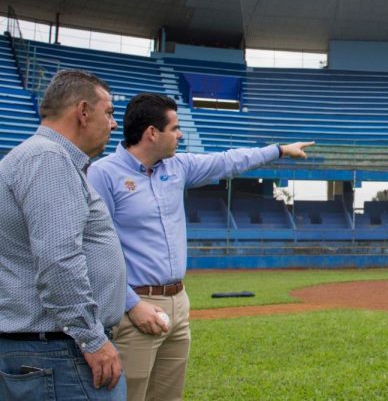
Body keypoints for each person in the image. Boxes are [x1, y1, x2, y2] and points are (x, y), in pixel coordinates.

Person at [87, 93, 314, 401]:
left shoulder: (177, 167)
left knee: (169, 395)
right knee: (128, 395)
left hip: (178, 303)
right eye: (175, 128)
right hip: (133, 307)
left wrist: (278, 150)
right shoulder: (104, 173)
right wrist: (131, 304)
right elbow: (97, 249)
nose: (180, 135)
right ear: (152, 133)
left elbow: (228, 161)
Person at [0, 70, 126, 400]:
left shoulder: (42, 158)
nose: (113, 125)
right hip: (59, 354)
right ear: (83, 112)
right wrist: (92, 338)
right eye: (109, 112)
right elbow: (59, 260)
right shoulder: (48, 160)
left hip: (52, 349)